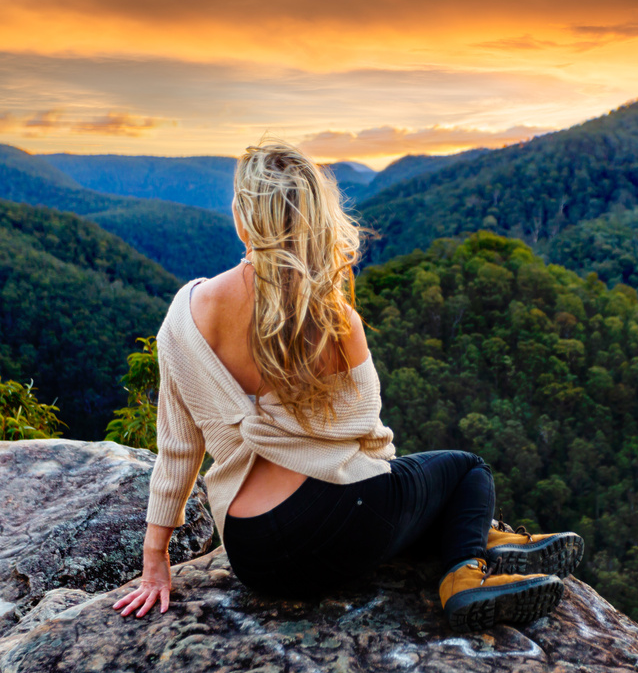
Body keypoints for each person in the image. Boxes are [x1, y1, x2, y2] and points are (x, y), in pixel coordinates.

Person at [111, 140, 583, 633]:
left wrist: (155, 559)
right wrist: (392, 489)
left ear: (242, 217)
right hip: (347, 529)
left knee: (409, 500)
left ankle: (481, 536)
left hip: (254, 555)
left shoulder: (184, 318)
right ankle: (465, 572)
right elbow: (370, 438)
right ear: (316, 219)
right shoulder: (332, 318)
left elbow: (178, 448)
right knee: (467, 471)